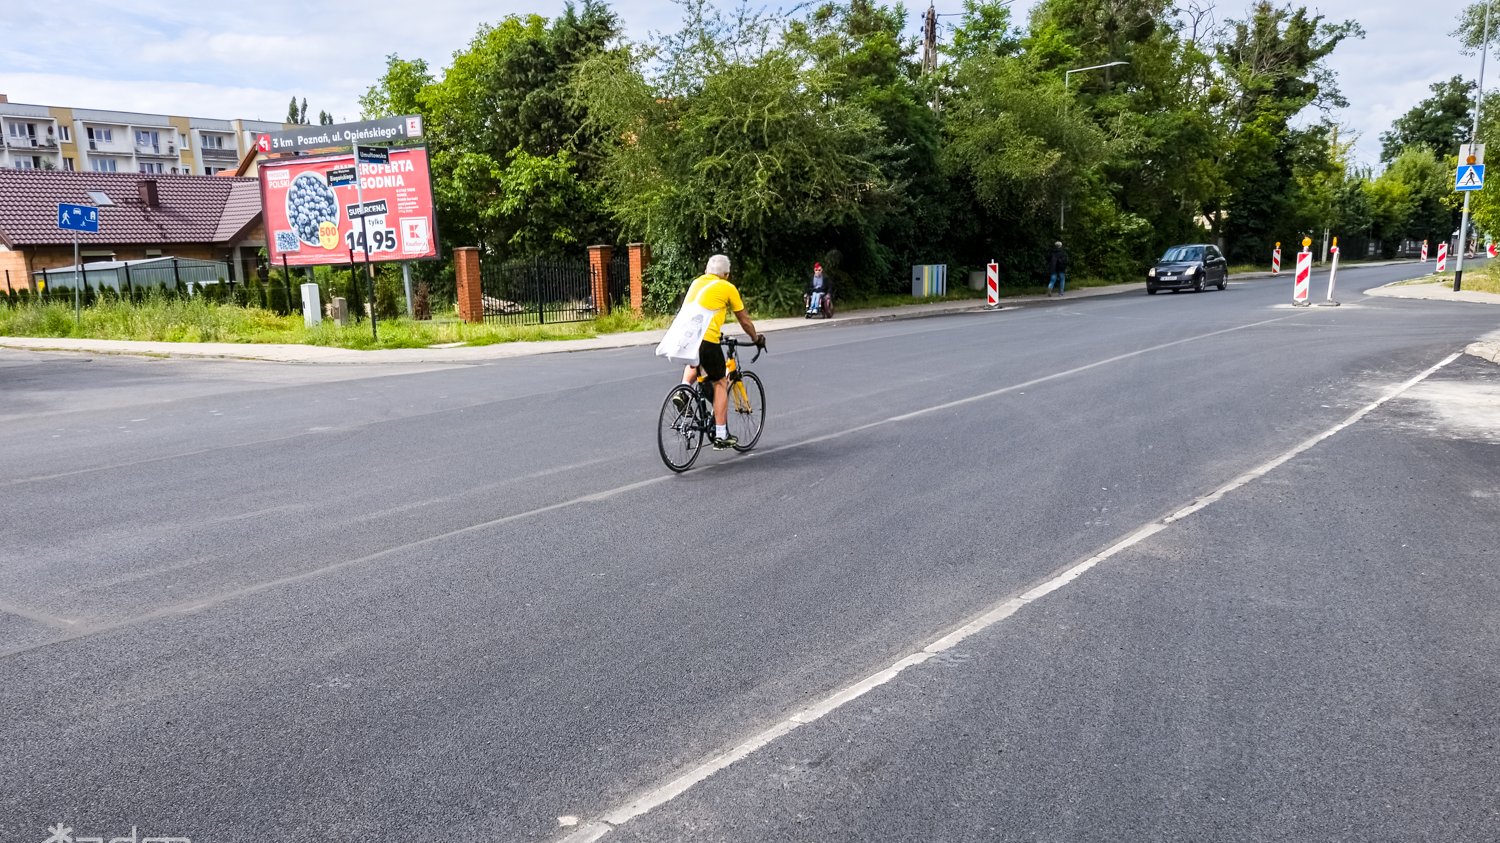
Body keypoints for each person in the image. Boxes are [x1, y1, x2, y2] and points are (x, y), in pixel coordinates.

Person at [672, 254, 765, 450]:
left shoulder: (697, 282)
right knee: (721, 382)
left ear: (707, 271)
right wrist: (756, 339)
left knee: (695, 360)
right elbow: (744, 321)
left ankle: (683, 390)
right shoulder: (727, 287)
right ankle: (721, 435)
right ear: (727, 275)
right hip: (706, 339)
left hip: (684, 338)